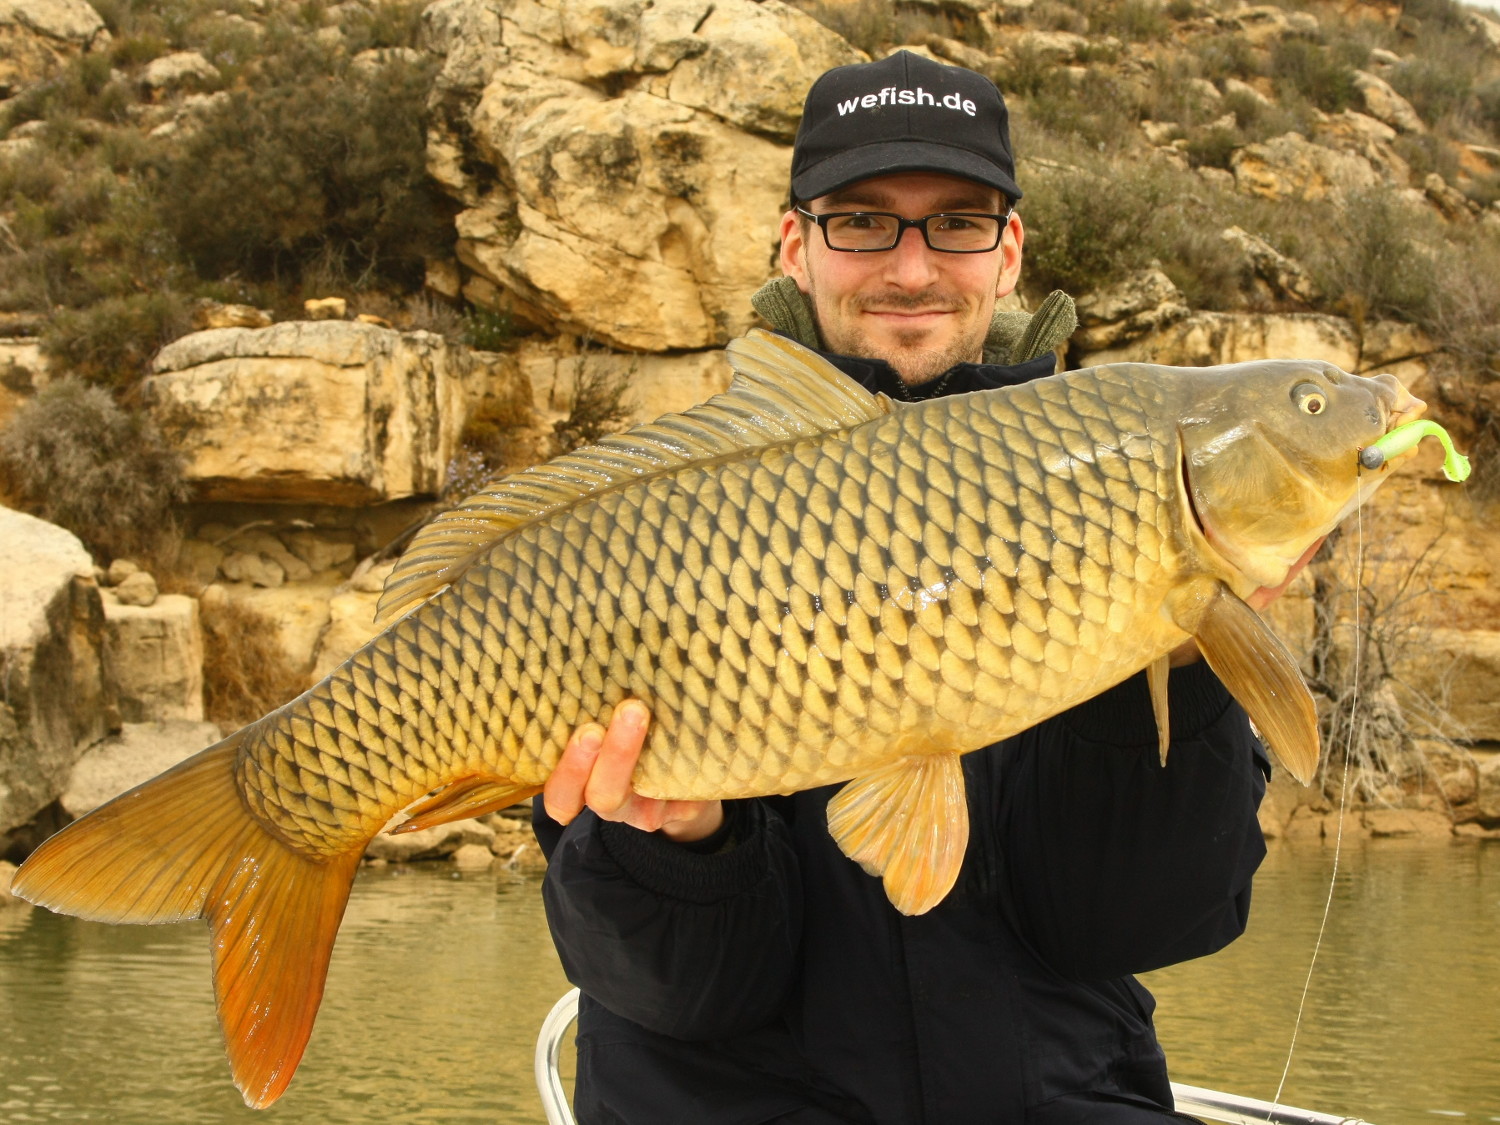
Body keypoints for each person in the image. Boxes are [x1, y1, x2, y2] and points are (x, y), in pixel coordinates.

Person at [533, 51, 1285, 1124]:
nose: (913, 268)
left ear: (1008, 252)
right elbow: (679, 994)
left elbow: (1139, 925)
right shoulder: (668, 516)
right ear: (796, 245)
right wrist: (684, 842)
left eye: (958, 223)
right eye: (864, 221)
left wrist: (1171, 647)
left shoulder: (1117, 485)